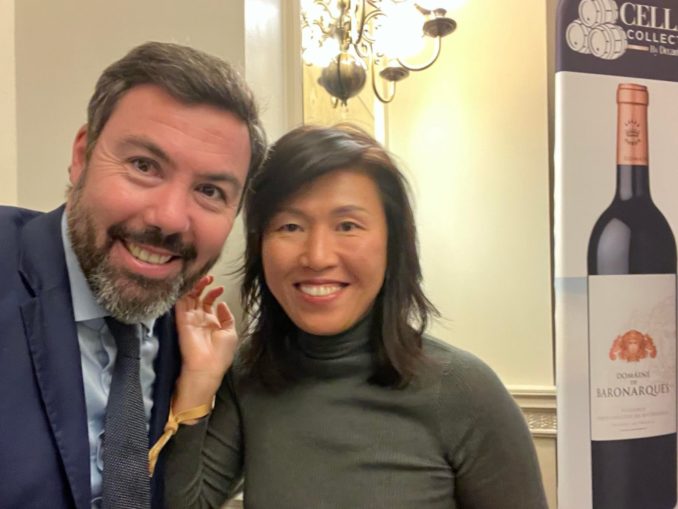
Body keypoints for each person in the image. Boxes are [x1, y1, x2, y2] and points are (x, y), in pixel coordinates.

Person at [162, 124, 548, 508]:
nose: (317, 257)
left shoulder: (464, 392)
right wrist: (199, 381)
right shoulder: (249, 375)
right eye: (290, 226)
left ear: (393, 244)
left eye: (347, 226)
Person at [0, 41, 266, 509]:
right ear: (82, 156)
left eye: (210, 191)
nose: (170, 218)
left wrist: (197, 393)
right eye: (144, 166)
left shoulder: (198, 347)